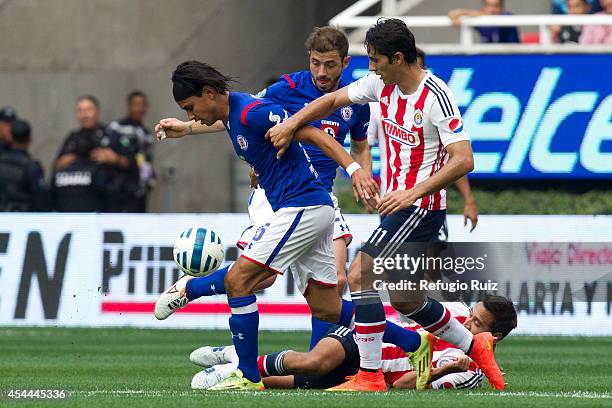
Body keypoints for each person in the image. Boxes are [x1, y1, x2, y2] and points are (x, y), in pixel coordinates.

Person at [266, 18, 505, 391]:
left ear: (397, 58)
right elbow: (330, 101)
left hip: (419, 208)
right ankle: (476, 346)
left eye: (375, 60)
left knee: (360, 275)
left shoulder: (434, 96)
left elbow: (464, 159)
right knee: (406, 298)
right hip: (399, 207)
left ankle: (370, 376)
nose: (370, 67)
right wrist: (292, 122)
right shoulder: (380, 85)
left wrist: (412, 192)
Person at [155, 60, 378, 391]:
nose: (191, 116)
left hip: (303, 205)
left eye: (190, 109)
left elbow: (312, 132)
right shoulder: (232, 114)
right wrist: (186, 129)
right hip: (302, 208)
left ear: (208, 93)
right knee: (328, 308)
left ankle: (244, 371)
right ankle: (415, 343)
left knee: (238, 279)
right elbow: (224, 123)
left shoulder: (251, 112)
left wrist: (354, 169)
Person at [190, 297, 517, 390]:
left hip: (371, 374)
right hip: (367, 338)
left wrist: (434, 371)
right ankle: (236, 364)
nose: (466, 322)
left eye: (476, 324)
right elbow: (411, 309)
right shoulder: (456, 312)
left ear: (495, 338)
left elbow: (403, 386)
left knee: (286, 384)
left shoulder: (468, 373)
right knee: (316, 361)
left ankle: (234, 359)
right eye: (471, 315)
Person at [367, 47, 478, 235]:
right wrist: (367, 183)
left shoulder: (434, 101)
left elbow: (458, 158)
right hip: (389, 200)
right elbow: (363, 146)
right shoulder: (379, 102)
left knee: (434, 261)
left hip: (426, 203)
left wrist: (469, 200)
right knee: (394, 264)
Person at [54, 95, 136, 212]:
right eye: (80, 111)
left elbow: (133, 164)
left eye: (88, 110)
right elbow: (57, 165)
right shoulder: (73, 138)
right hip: (77, 201)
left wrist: (115, 159)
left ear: (97, 111)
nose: (85, 115)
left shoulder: (112, 135)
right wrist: (74, 158)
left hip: (110, 203)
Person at [107, 91, 155, 212]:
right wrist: (120, 160)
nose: (139, 108)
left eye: (142, 105)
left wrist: (148, 181)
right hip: (119, 190)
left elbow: (146, 160)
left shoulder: (147, 133)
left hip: (139, 190)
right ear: (129, 106)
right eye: (135, 104)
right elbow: (108, 154)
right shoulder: (117, 127)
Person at [50, 127, 109, 212]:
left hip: (63, 220)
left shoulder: (60, 171)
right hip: (90, 220)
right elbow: (106, 195)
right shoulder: (97, 171)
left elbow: (50, 195)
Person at [0, 119, 48, 212]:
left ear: (11, 137)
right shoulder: (31, 167)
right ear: (30, 139)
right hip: (25, 221)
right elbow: (42, 200)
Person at [448, 0, 520, 43]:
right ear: (483, 7)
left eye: (496, 6)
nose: (492, 9)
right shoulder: (480, 20)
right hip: (488, 60)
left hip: (510, 59)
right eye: (489, 5)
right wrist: (459, 17)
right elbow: (453, 14)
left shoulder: (508, 17)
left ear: (502, 8)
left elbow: (495, 18)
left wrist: (464, 12)